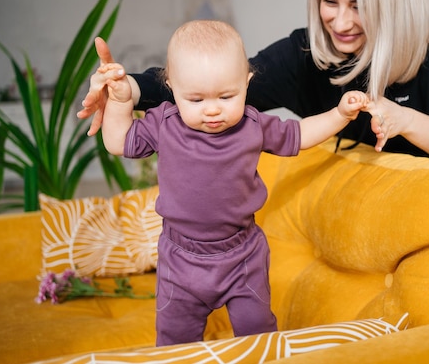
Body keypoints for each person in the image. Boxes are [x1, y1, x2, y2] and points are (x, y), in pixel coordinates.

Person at [80, 0, 429, 158]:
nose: (339, 23)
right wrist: (129, 88)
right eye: (330, 1)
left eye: (360, 6)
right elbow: (216, 85)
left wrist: (405, 120)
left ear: (395, 3)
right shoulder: (306, 53)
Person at [98, 19, 368, 346]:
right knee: (174, 343)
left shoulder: (254, 124)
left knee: (258, 336)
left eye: (227, 96)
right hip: (180, 259)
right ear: (171, 86)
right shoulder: (164, 123)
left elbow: (301, 135)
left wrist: (340, 114)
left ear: (247, 82)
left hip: (242, 256)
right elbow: (117, 141)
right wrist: (120, 101)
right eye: (196, 100)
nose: (212, 110)